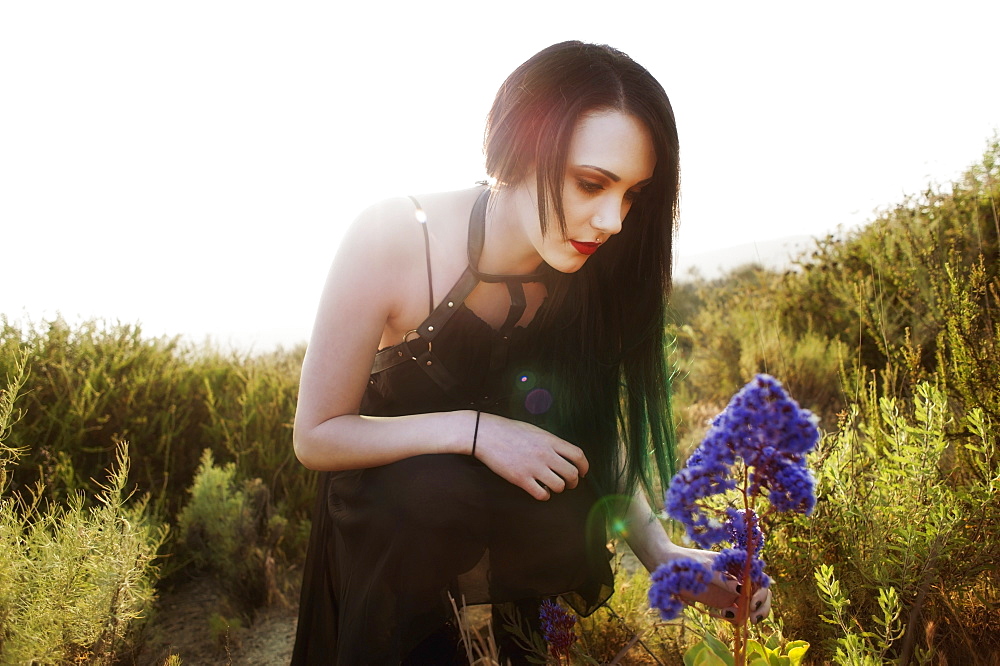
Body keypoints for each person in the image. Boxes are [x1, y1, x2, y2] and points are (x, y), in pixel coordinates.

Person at [290, 41, 771, 665]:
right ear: (517, 149)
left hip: (508, 560)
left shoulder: (594, 273)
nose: (613, 220)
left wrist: (663, 554)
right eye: (592, 183)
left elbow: (595, 425)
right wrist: (479, 432)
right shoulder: (392, 237)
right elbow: (317, 435)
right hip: (395, 555)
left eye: (633, 195)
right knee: (430, 495)